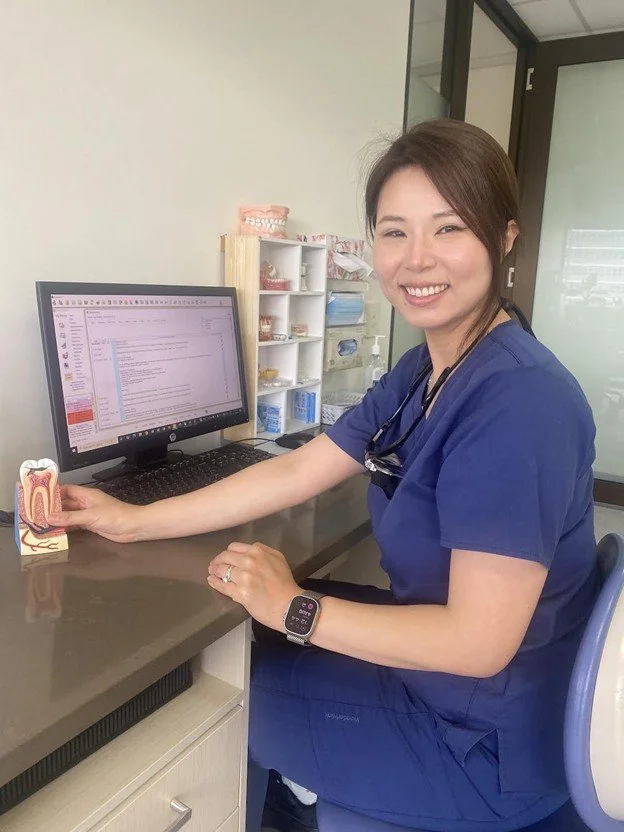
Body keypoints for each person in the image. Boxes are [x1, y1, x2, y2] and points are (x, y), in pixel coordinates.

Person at [49, 119, 598, 832]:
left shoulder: (519, 403)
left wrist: (295, 609)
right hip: (456, 695)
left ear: (505, 239)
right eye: (394, 232)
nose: (417, 259)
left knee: (223, 686)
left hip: (484, 748)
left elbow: (477, 643)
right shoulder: (429, 369)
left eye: (450, 228)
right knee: (248, 634)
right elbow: (301, 469)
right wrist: (130, 518)